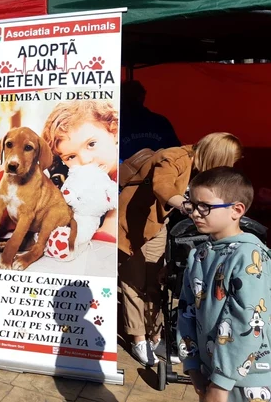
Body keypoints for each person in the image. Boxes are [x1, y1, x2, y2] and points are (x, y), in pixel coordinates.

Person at [119, 132, 243, 366]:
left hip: (155, 225)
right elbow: (162, 185)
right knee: (133, 282)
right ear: (218, 156)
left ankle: (155, 335)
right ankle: (138, 339)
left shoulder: (197, 168)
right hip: (129, 225)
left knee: (154, 281)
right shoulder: (174, 157)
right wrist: (188, 206)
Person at [177, 167, 271, 402]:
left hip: (248, 378)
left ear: (236, 210)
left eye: (205, 207)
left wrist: (221, 383)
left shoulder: (249, 255)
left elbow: (246, 320)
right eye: (192, 205)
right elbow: (186, 310)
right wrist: (192, 364)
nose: (195, 214)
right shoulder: (197, 255)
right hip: (210, 371)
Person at [42, 100, 120, 239]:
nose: (85, 160)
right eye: (71, 157)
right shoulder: (71, 184)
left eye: (91, 144)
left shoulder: (128, 176)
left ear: (113, 131)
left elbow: (109, 234)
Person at [119, 80, 180, 161]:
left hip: (156, 171)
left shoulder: (160, 122)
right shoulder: (116, 124)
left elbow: (175, 151)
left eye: (134, 96)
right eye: (129, 96)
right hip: (128, 171)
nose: (132, 99)